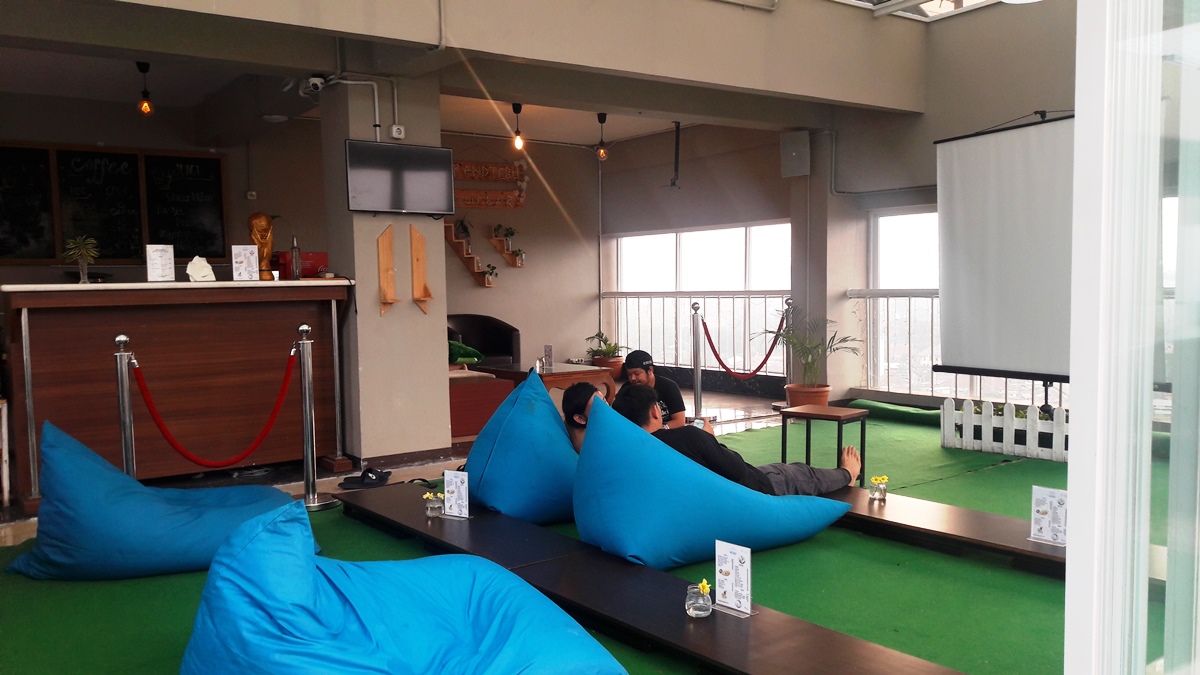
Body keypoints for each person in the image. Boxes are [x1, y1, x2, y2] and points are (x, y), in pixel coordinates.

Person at [611, 384, 859, 496]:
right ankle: (847, 474)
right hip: (749, 491)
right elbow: (736, 469)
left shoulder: (627, 454)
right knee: (797, 473)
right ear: (655, 411)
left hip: (702, 499)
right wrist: (709, 439)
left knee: (783, 470)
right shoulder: (688, 436)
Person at [621, 350, 688, 430]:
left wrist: (659, 430)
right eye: (629, 374)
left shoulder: (669, 387)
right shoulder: (627, 390)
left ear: (650, 370)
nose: (633, 378)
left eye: (637, 374)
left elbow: (679, 421)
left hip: (666, 432)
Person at [562, 381, 603, 452]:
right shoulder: (586, 446)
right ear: (580, 418)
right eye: (599, 407)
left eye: (604, 401)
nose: (607, 408)